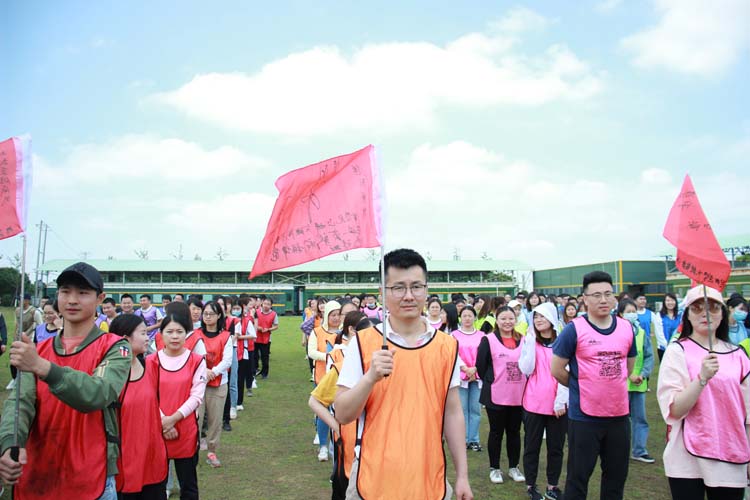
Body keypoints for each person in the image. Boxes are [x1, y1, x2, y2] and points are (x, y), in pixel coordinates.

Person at [335, 249, 473, 500]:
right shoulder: (363, 342)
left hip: (429, 475)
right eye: (398, 288)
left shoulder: (446, 346)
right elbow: (343, 413)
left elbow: (452, 412)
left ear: (427, 289)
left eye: (416, 286)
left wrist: (462, 475)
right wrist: (369, 378)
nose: (409, 296)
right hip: (373, 475)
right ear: (382, 293)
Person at [0, 262, 131, 498]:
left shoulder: (114, 347)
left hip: (92, 477)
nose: (72, 300)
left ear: (100, 298)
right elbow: (20, 403)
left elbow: (97, 393)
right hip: (38, 475)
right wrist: (10, 442)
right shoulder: (38, 349)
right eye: (65, 291)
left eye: (82, 293)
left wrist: (42, 367)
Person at [657, 285, 750, 499]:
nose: (706, 314)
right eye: (697, 308)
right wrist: (701, 378)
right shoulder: (677, 351)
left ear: (723, 315)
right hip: (686, 458)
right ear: (688, 315)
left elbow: (748, 414)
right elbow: (674, 410)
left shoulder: (738, 356)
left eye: (713, 308)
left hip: (731, 454)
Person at [551, 271, 637, 500]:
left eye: (608, 294)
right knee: (578, 479)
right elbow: (557, 369)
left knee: (616, 479)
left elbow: (627, 368)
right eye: (597, 295)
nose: (603, 300)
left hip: (619, 416)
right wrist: (582, 385)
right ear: (585, 298)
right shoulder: (574, 329)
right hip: (584, 418)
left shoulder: (626, 328)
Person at [308, 311, 369, 500]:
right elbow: (315, 401)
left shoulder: (390, 368)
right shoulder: (342, 365)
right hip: (349, 447)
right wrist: (337, 426)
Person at [109, 314, 168, 499]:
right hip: (124, 462)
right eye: (142, 333)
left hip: (153, 457)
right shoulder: (110, 376)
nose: (147, 337)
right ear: (125, 339)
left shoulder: (150, 367)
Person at [152, 310, 206, 500]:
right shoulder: (151, 361)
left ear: (187, 334)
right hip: (156, 429)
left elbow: (196, 396)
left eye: (180, 331)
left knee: (188, 484)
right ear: (161, 335)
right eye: (169, 331)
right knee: (156, 484)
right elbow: (148, 396)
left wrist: (173, 419)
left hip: (186, 429)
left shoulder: (196, 360)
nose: (174, 336)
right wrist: (163, 423)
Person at [518, 303, 568, 500]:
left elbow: (568, 371)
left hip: (558, 405)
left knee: (556, 448)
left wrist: (561, 400)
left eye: (543, 317)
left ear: (552, 319)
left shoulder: (563, 343)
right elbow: (526, 368)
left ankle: (552, 486)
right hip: (534, 402)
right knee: (532, 446)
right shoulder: (530, 341)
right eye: (536, 317)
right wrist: (529, 344)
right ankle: (531, 485)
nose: (538, 320)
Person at [476, 306, 526, 486]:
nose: (507, 322)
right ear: (497, 320)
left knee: (514, 432)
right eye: (503, 318)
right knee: (496, 432)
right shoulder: (487, 340)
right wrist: (493, 380)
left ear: (516, 320)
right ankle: (494, 468)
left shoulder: (523, 339)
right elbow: (480, 366)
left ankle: (514, 467)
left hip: (518, 394)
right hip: (495, 394)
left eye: (510, 318)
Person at [195, 301, 232, 468]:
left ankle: (211, 450)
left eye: (211, 313)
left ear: (219, 316)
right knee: (195, 418)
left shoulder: (226, 336)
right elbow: (192, 356)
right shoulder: (195, 335)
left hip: (218, 384)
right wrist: (205, 372)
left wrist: (213, 372)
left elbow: (227, 360)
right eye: (205, 313)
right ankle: (191, 450)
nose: (207, 316)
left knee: (215, 420)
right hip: (197, 383)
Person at [618, 299, 655, 464]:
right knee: (621, 420)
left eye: (634, 311)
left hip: (639, 383)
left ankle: (639, 450)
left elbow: (649, 356)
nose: (632, 314)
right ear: (620, 314)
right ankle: (619, 450)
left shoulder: (641, 333)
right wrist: (628, 374)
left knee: (640, 418)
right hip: (621, 384)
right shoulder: (616, 333)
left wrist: (643, 374)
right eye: (628, 311)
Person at [309, 300, 342, 461]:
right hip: (322, 377)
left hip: (341, 377)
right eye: (333, 315)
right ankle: (323, 446)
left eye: (338, 315)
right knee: (323, 412)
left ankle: (339, 443)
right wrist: (330, 357)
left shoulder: (345, 332)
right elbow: (312, 353)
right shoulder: (317, 332)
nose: (336, 318)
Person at [452, 305, 484, 452]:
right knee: (462, 410)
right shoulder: (454, 335)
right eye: (464, 315)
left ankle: (474, 440)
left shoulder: (482, 336)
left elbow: (484, 356)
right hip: (461, 376)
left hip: (477, 377)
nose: (467, 318)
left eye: (470, 315)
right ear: (460, 317)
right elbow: (453, 354)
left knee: (475, 409)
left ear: (474, 317)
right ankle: (463, 439)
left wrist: (475, 369)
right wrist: (465, 368)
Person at [634, 293, 667, 359]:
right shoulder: (632, 313)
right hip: (635, 342)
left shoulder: (650, 313)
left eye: (644, 299)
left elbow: (658, 325)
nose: (643, 301)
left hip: (647, 342)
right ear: (635, 301)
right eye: (640, 299)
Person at [254, 297, 278, 379]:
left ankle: (264, 373)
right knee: (254, 356)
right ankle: (255, 370)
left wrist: (268, 329)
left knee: (265, 357)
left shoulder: (274, 314)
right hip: (255, 337)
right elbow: (252, 322)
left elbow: (276, 326)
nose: (266, 306)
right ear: (261, 304)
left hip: (266, 339)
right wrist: (258, 327)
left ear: (271, 306)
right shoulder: (256, 312)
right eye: (264, 304)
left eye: (268, 304)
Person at [660, 293, 682, 358]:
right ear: (664, 302)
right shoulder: (659, 316)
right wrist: (667, 347)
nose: (670, 302)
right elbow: (659, 334)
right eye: (668, 300)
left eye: (672, 300)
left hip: (678, 347)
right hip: (664, 348)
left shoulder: (680, 315)